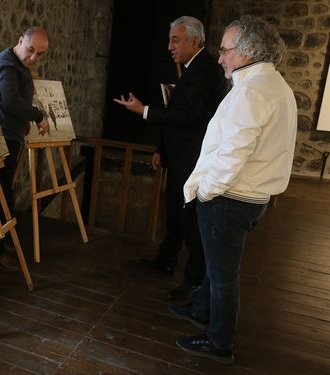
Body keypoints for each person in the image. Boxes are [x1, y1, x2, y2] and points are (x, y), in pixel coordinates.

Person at [170, 15, 297, 364]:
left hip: (231, 197)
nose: (221, 58)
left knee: (224, 274)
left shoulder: (254, 91)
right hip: (248, 196)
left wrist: (207, 190)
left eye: (225, 50)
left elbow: (233, 153)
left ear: (250, 50)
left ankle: (219, 341)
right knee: (216, 265)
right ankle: (202, 311)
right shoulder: (272, 86)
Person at [114, 16, 227, 300]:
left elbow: (186, 115)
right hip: (179, 154)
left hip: (193, 158)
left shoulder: (206, 70)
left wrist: (144, 111)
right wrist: (161, 149)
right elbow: (178, 114)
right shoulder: (192, 68)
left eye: (175, 40)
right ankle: (167, 259)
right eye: (169, 39)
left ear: (194, 41)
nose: (169, 47)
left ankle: (194, 279)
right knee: (175, 212)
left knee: (189, 219)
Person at [0, 26, 51, 270]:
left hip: (8, 136)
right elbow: (11, 101)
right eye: (31, 50)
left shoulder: (16, 64)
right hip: (2, 139)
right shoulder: (9, 66)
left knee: (2, 192)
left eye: (40, 54)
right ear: (20, 40)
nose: (34, 58)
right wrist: (38, 115)